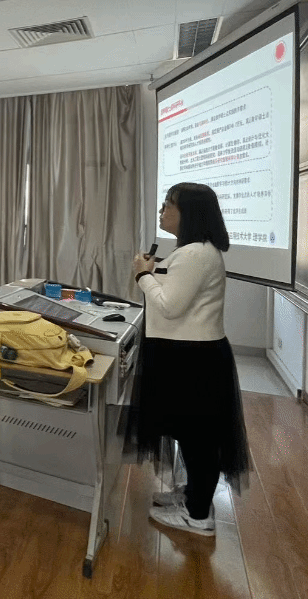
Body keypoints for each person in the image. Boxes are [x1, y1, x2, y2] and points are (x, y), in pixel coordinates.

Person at [127, 182, 250, 538]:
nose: (162, 210)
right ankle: (194, 496)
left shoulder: (195, 253)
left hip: (193, 360)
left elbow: (169, 306)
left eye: (169, 205)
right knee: (194, 434)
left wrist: (142, 275)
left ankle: (198, 516)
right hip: (189, 354)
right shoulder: (194, 252)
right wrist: (154, 272)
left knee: (198, 438)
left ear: (190, 213)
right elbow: (176, 293)